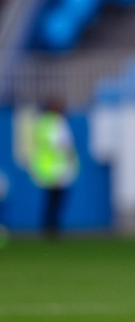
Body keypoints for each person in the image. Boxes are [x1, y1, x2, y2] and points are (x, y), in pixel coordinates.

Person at [28, 99, 79, 238]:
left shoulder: (42, 123)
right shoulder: (57, 123)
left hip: (46, 169)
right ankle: (52, 229)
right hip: (58, 169)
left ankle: (48, 227)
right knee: (56, 201)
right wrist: (70, 159)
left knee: (50, 201)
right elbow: (63, 145)